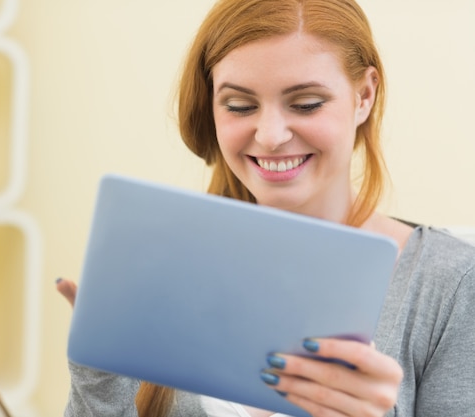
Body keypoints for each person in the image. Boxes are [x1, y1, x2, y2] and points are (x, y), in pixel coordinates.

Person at [57, 0, 475, 415]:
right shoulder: (167, 260)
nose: (271, 135)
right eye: (239, 106)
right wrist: (99, 376)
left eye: (306, 103)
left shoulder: (449, 284)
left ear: (364, 95)